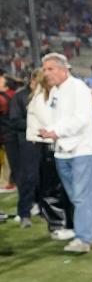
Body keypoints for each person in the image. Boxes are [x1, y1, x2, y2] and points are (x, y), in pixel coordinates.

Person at [40, 53, 92, 254]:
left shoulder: (79, 88)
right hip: (62, 150)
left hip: (81, 149)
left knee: (81, 197)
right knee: (78, 196)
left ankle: (83, 238)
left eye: (50, 69)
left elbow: (82, 119)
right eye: (44, 69)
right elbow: (54, 117)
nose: (46, 73)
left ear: (63, 68)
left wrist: (56, 132)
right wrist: (49, 131)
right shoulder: (54, 92)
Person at [25, 68, 73, 238]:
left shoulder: (43, 98)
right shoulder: (45, 98)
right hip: (47, 145)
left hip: (47, 145)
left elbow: (49, 122)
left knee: (52, 188)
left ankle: (58, 224)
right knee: (55, 188)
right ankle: (62, 223)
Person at [5, 70, 38, 227]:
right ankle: (24, 212)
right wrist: (36, 126)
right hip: (26, 142)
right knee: (28, 177)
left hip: (46, 142)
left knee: (46, 178)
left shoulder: (49, 95)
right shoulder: (20, 97)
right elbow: (15, 120)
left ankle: (41, 206)